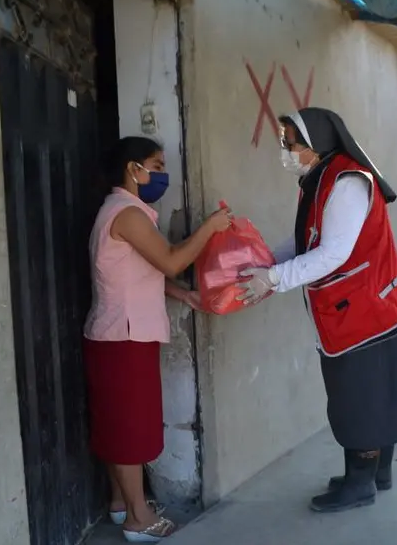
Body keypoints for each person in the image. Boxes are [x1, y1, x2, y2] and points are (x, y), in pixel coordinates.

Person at [236, 107, 397, 513]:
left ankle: (360, 483)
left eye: (291, 143)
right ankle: (377, 474)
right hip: (370, 307)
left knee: (361, 399)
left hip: (367, 312)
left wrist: (274, 279)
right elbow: (306, 240)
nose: (286, 150)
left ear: (316, 143)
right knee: (379, 395)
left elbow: (331, 254)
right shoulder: (319, 180)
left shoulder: (346, 182)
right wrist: (264, 265)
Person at [83, 136, 231, 542]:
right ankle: (139, 518)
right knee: (129, 429)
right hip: (124, 335)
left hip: (119, 333)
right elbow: (170, 259)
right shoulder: (127, 214)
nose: (162, 173)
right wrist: (210, 229)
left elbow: (143, 272)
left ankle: (121, 503)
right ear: (133, 168)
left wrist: (184, 294)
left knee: (119, 424)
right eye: (156, 164)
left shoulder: (124, 212)